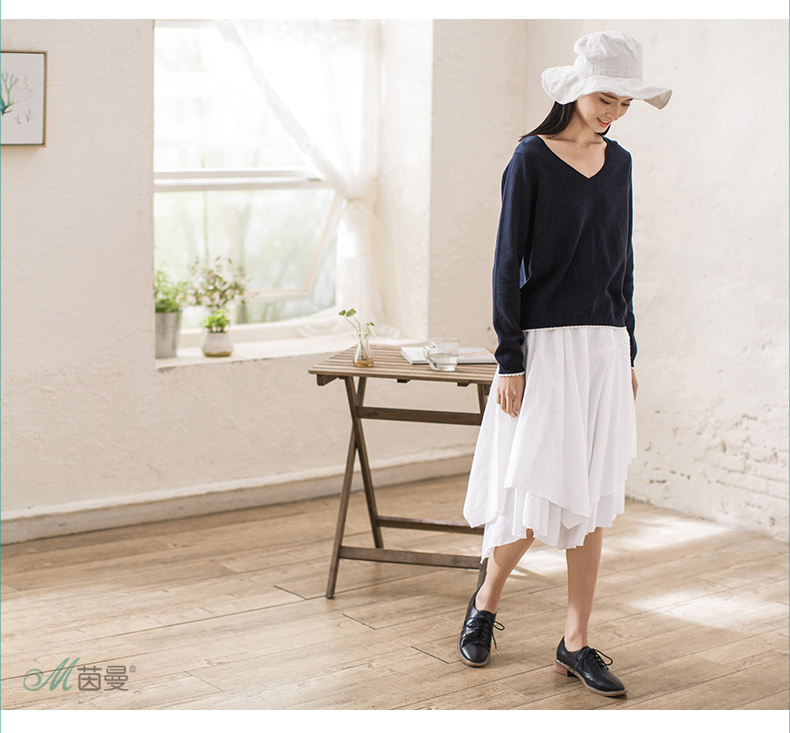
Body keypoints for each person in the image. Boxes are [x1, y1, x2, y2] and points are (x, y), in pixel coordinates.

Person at [458, 31, 671, 697]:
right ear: (576, 89)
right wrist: (510, 359)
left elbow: (622, 262)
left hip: (602, 345)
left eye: (624, 104)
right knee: (536, 490)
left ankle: (574, 641)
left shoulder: (621, 163)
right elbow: (505, 264)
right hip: (544, 344)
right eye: (606, 98)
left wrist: (626, 348)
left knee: (592, 496)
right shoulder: (530, 158)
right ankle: (486, 598)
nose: (613, 113)